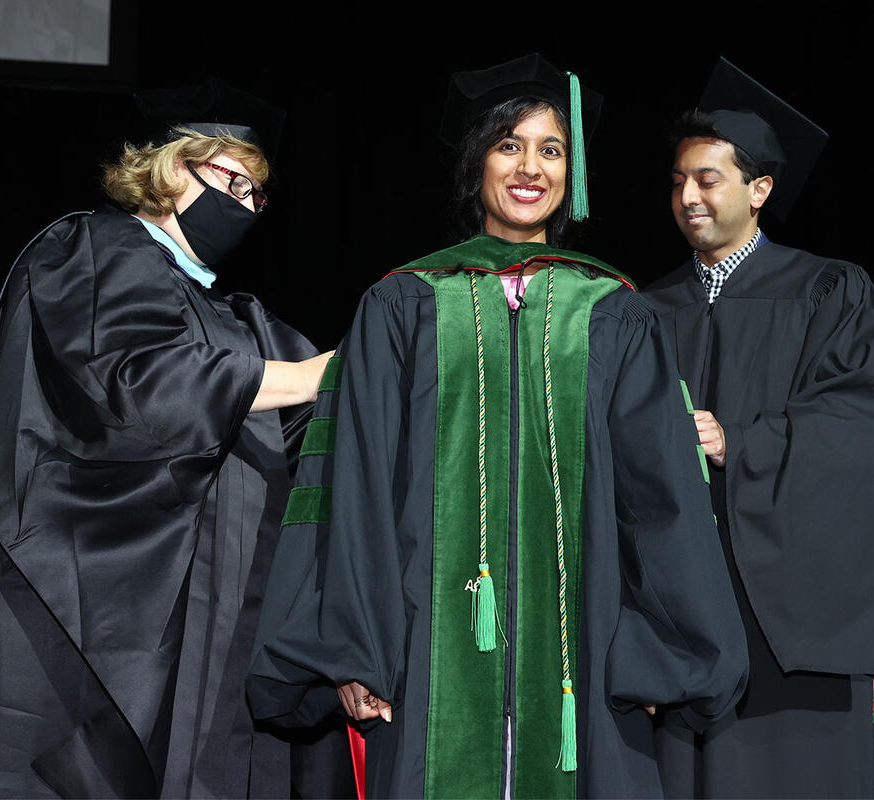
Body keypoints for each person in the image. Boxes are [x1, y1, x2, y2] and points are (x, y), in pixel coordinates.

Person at [247, 54, 749, 799]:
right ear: (475, 162)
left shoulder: (613, 311)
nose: (530, 168)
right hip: (423, 648)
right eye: (509, 145)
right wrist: (354, 650)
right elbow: (354, 489)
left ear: (572, 172)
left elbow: (660, 498)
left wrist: (662, 655)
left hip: (586, 655)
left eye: (552, 150)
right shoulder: (402, 305)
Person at [0, 80, 336, 798]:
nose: (246, 206)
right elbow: (138, 384)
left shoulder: (238, 318)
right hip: (85, 618)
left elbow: (307, 430)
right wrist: (309, 376)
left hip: (205, 636)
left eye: (258, 194)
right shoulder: (94, 249)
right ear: (170, 167)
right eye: (232, 182)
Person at [644, 58, 874, 798]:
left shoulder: (828, 290)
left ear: (759, 190)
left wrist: (739, 442)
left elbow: (860, 423)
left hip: (787, 608)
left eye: (707, 179)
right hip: (681, 605)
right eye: (678, 180)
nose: (687, 196)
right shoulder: (643, 311)